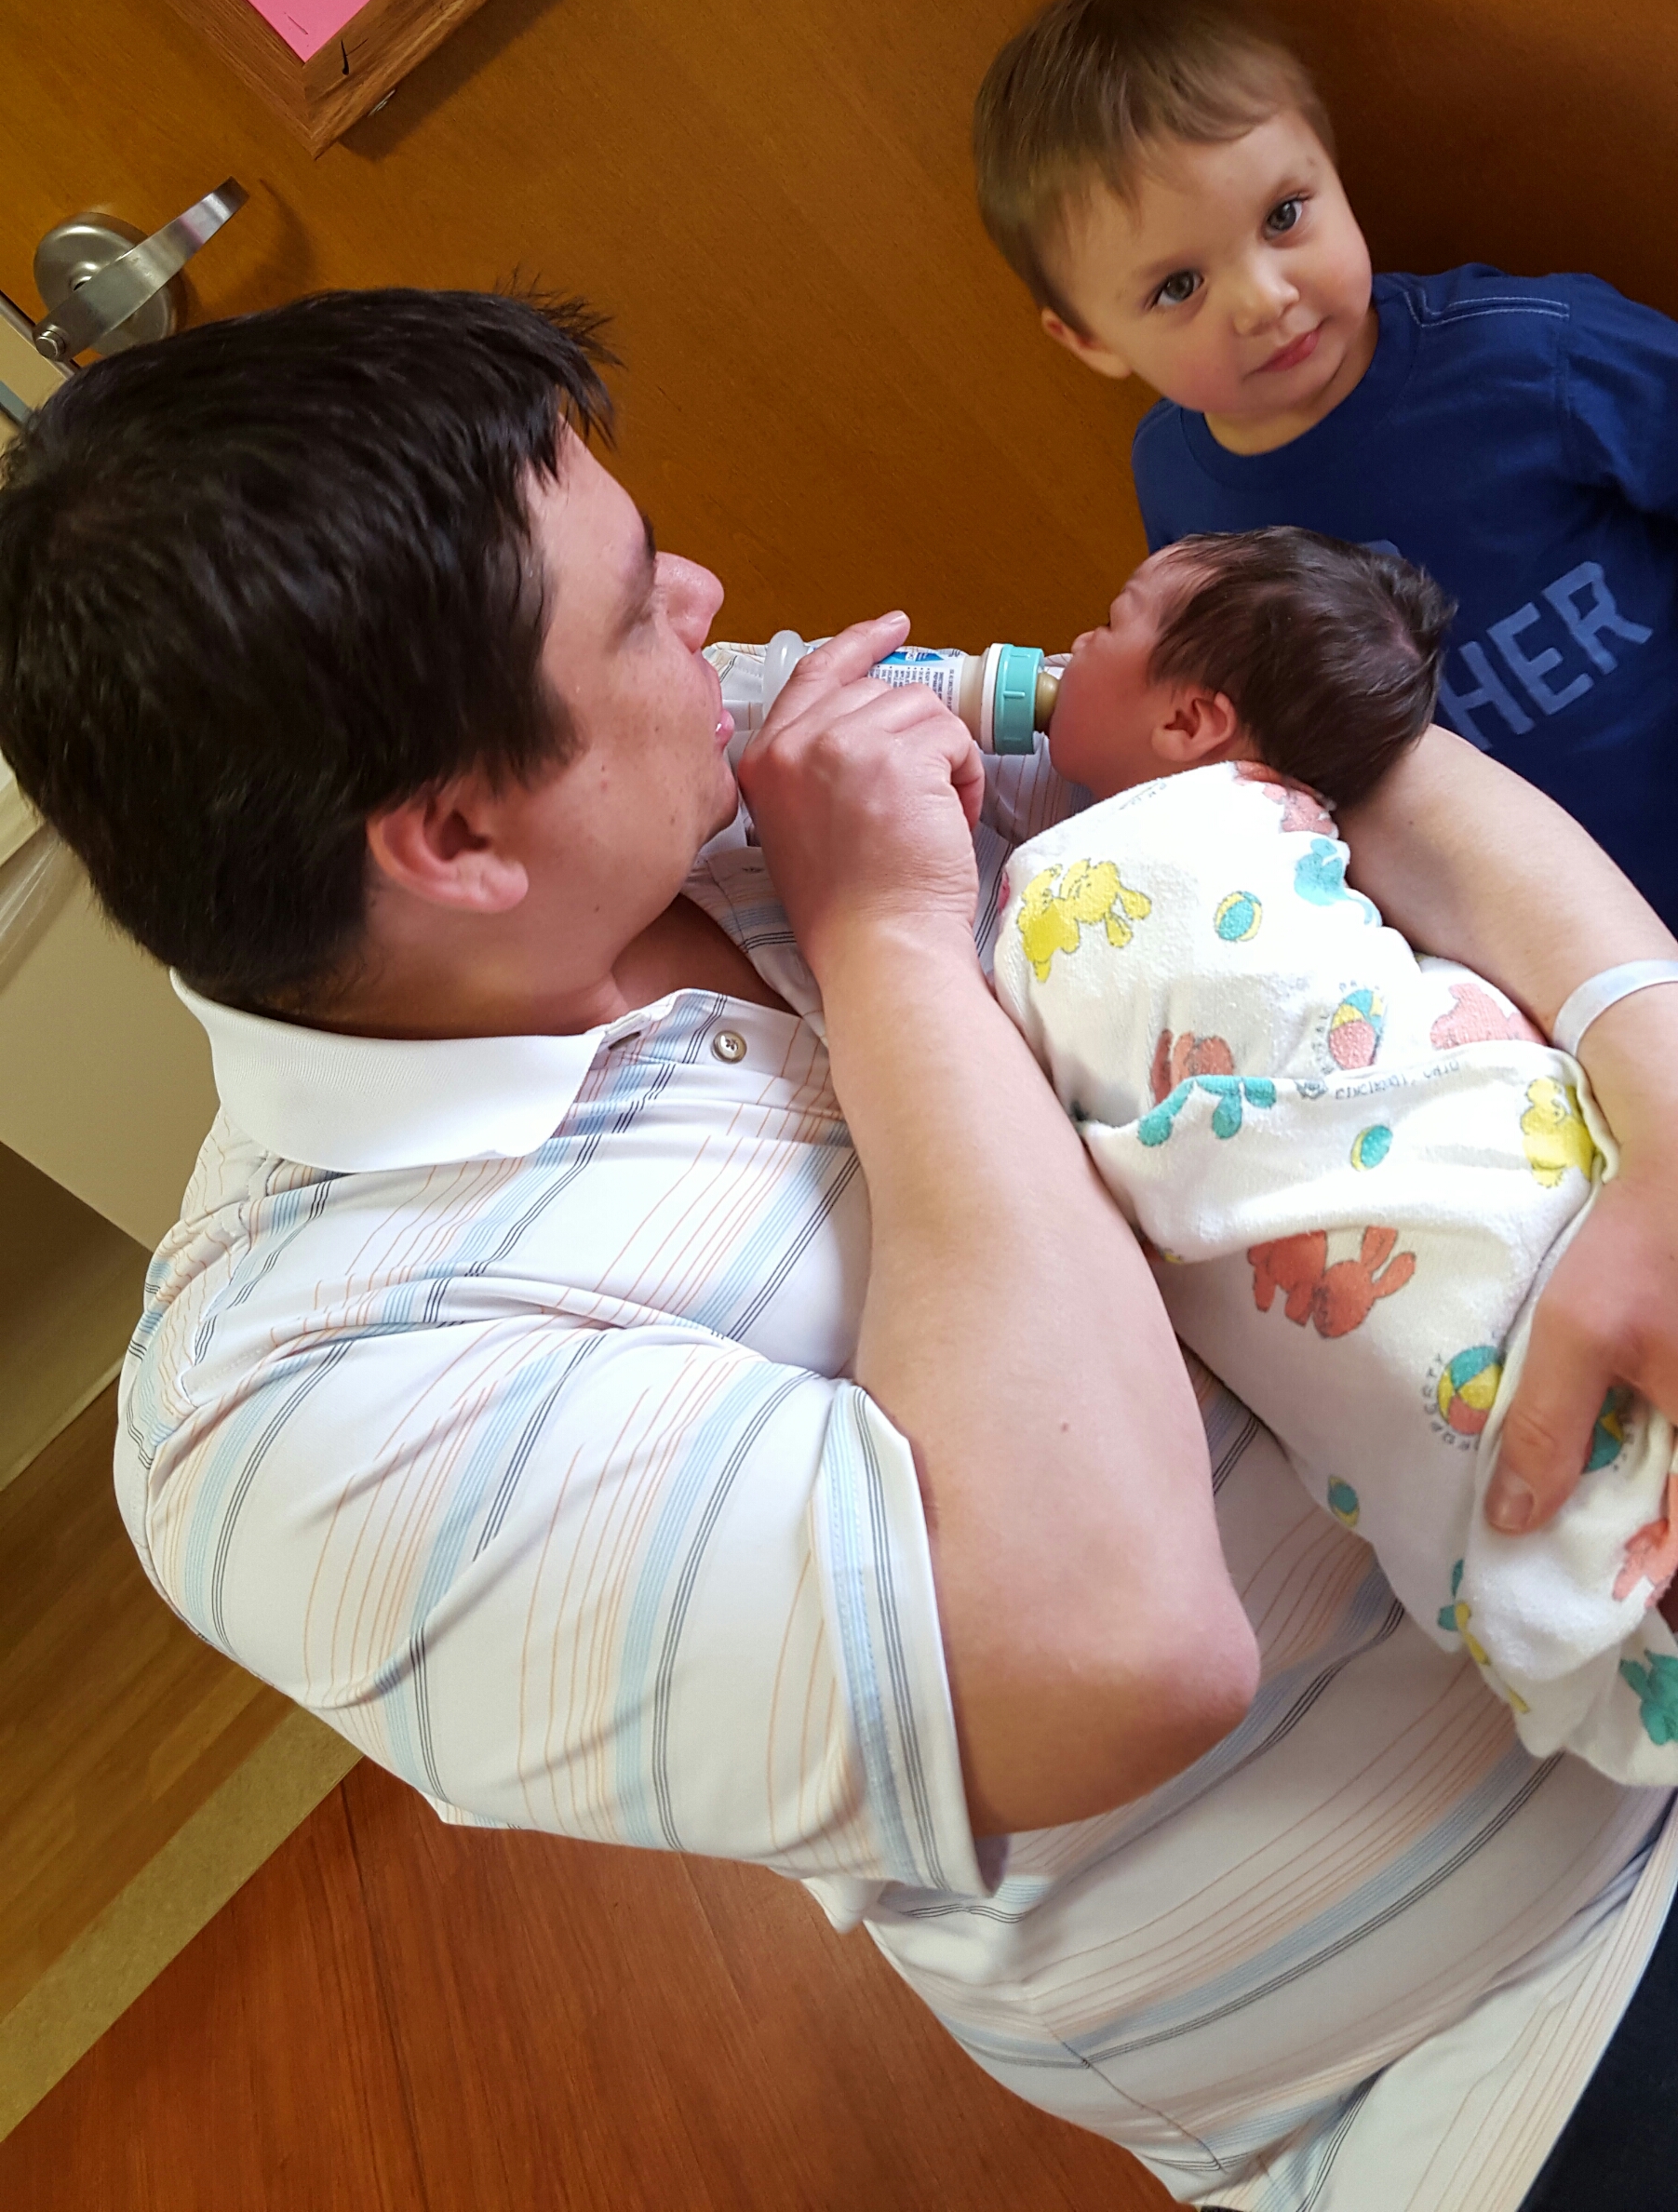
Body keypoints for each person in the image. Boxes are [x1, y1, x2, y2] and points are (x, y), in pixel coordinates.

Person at [3, 290, 1678, 2212]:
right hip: (1497, 2024)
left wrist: (1649, 1056)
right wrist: (883, 939)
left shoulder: (718, 741)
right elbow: (1116, 1644)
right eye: (635, 606)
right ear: (455, 835)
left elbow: (1309, 748)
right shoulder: (287, 1416)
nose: (712, 607)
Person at [989, 523, 1678, 1785]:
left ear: (1191, 720)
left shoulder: (1104, 874)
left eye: (1110, 620)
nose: (1070, 645)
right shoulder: (1252, 833)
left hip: (1506, 1195)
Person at [971, 0, 1678, 929]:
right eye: (1178, 285)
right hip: (1503, 943)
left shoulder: (1536, 354)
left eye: (1283, 215)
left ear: (1328, 162)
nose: (1264, 298)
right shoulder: (1179, 488)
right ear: (1090, 339)